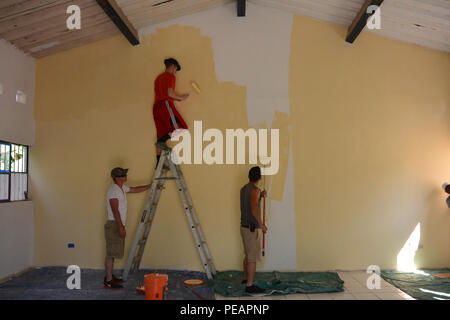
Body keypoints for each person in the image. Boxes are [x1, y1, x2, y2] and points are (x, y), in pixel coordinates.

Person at [104, 167, 151, 289]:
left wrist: (150, 186)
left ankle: (110, 277)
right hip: (114, 224)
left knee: (113, 252)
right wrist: (120, 227)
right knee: (110, 253)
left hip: (117, 224)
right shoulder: (113, 190)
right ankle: (108, 281)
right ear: (118, 178)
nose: (126, 176)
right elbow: (115, 210)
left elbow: (134, 189)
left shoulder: (122, 188)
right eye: (124, 175)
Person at [153, 58, 190, 167]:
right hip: (165, 105)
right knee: (181, 128)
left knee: (161, 135)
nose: (175, 72)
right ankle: (161, 142)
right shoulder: (170, 76)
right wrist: (181, 98)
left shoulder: (158, 78)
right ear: (173, 66)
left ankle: (159, 163)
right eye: (176, 69)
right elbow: (170, 93)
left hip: (156, 107)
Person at [240, 166, 268, 295]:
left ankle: (246, 278)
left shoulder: (244, 188)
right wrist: (261, 225)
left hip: (244, 227)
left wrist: (260, 196)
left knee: (247, 254)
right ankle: (250, 285)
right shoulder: (255, 190)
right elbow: (254, 208)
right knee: (252, 258)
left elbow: (250, 202)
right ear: (260, 178)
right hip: (252, 229)